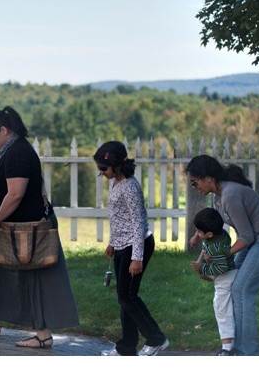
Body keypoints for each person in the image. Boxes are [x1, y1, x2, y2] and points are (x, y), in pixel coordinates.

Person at [0, 106, 79, 349]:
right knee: (0, 271)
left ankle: (43, 335)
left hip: (28, 229)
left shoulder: (17, 153)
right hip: (16, 227)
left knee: (33, 279)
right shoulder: (13, 150)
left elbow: (15, 194)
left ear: (4, 130)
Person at [186, 155, 259, 356]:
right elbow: (219, 229)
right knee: (232, 285)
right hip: (253, 239)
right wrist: (198, 235)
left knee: (242, 289)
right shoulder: (218, 196)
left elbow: (246, 236)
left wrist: (221, 257)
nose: (194, 186)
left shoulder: (230, 194)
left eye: (194, 182)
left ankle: (246, 351)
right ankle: (232, 346)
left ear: (208, 178)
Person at [95, 141, 169, 357]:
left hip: (136, 245)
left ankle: (157, 339)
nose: (101, 173)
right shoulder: (115, 182)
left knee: (128, 296)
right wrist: (112, 242)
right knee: (123, 296)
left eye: (103, 168)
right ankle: (126, 348)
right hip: (122, 244)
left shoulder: (130, 186)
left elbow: (138, 223)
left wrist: (137, 257)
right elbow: (119, 218)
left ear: (117, 165)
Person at [190, 207, 238, 356]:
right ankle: (230, 344)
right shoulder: (219, 233)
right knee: (224, 308)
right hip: (226, 272)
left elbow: (222, 267)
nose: (197, 233)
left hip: (225, 277)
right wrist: (196, 237)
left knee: (221, 308)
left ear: (209, 234)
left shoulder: (215, 247)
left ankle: (227, 348)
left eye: (199, 232)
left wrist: (202, 269)